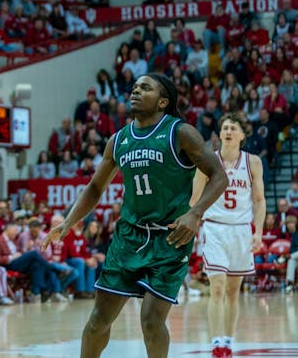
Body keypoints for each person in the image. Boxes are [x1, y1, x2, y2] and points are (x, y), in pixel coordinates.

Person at [44, 73, 227, 358]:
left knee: (152, 321)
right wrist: (68, 222)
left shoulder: (180, 132)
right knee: (97, 321)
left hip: (170, 238)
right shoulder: (119, 140)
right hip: (128, 236)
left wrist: (195, 213)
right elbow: (94, 188)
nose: (136, 91)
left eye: (145, 88)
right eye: (134, 87)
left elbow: (219, 177)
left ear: (163, 101)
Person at [190, 113, 265, 358]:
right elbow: (194, 199)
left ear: (242, 135)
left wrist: (259, 232)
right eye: (225, 128)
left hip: (242, 230)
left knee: (234, 291)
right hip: (214, 227)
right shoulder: (208, 162)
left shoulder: (252, 162)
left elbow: (259, 200)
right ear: (220, 134)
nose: (229, 131)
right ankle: (216, 343)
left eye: (234, 128)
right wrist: (188, 225)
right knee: (218, 288)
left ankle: (229, 342)